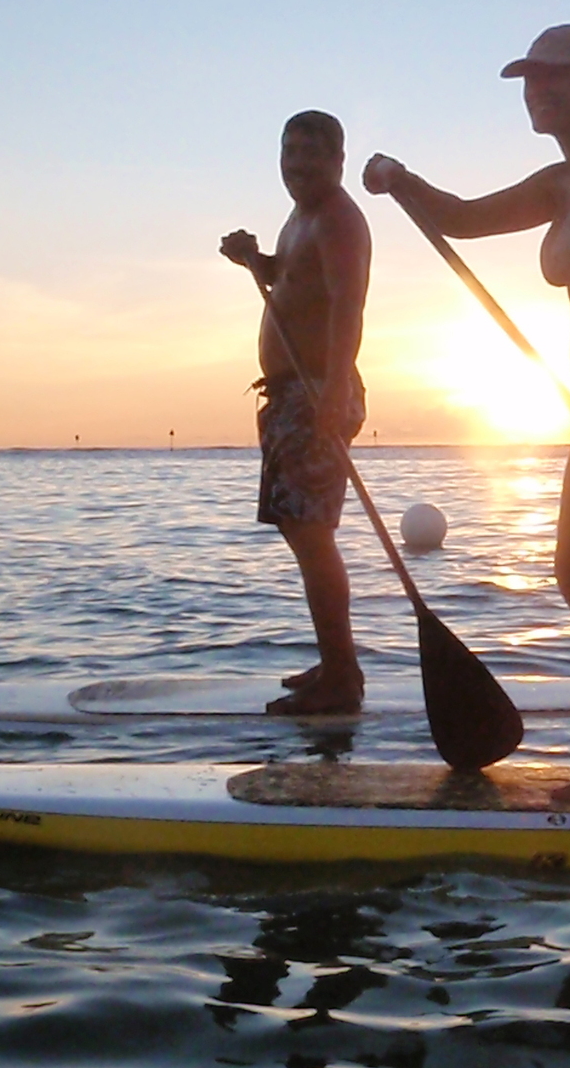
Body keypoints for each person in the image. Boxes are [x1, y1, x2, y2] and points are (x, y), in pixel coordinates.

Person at [363, 25, 570, 804]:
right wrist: (401, 180)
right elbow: (464, 219)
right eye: (528, 80)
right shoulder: (567, 176)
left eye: (553, 80)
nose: (537, 93)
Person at [220, 111, 371, 715]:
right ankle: (337, 663)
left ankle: (342, 678)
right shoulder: (301, 217)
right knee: (303, 536)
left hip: (315, 395)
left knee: (313, 537)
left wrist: (333, 393)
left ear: (337, 160)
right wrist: (255, 261)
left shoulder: (337, 218)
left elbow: (346, 307)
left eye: (313, 153)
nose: (298, 163)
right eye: (290, 151)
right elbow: (293, 283)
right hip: (293, 396)